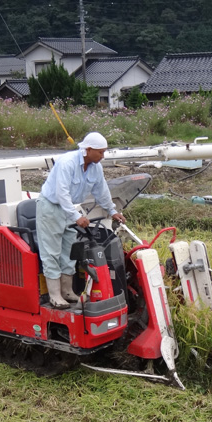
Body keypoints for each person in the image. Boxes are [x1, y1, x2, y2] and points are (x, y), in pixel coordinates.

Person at [36, 132, 126, 309]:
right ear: (89, 149)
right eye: (100, 152)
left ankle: (67, 291)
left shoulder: (95, 167)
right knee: (51, 251)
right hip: (51, 207)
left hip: (69, 209)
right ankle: (55, 295)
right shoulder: (67, 163)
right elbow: (62, 193)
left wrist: (112, 211)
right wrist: (77, 217)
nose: (103, 156)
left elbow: (102, 191)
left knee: (70, 250)